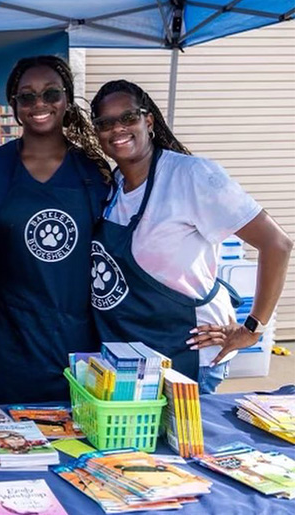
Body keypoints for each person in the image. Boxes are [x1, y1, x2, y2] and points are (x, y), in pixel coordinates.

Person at [88, 80, 292, 393]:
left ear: (149, 121)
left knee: (185, 443)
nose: (118, 129)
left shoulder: (191, 176)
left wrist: (253, 328)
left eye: (128, 118)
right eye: (106, 123)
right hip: (130, 357)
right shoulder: (112, 185)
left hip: (183, 355)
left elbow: (277, 244)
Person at [0, 56, 111, 404]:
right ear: (14, 105)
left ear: (67, 101)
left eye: (51, 94)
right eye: (27, 97)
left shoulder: (94, 172)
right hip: (6, 336)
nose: (39, 104)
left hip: (77, 339)